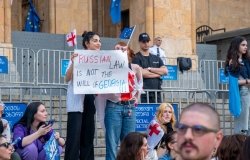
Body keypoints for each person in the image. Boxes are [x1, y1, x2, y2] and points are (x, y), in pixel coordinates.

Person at [95, 41, 143, 160]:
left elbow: (140, 85)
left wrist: (136, 98)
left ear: (129, 51)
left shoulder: (135, 67)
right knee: (112, 143)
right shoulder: (110, 67)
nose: (121, 51)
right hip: (114, 106)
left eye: (124, 49)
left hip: (130, 107)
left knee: (130, 143)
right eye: (118, 49)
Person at [64, 31, 101, 160]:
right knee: (74, 137)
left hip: (90, 99)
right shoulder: (77, 56)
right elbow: (67, 78)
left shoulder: (102, 59)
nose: (99, 43)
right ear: (87, 43)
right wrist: (74, 63)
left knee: (88, 136)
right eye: (95, 41)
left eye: (99, 41)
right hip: (76, 102)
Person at [132, 32, 168, 103]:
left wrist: (150, 69)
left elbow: (165, 71)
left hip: (156, 92)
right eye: (143, 41)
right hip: (143, 93)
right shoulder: (136, 57)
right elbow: (142, 73)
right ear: (139, 42)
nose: (146, 44)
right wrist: (158, 74)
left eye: (147, 41)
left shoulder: (156, 58)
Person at [225, 36, 250, 134]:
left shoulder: (247, 61)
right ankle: (239, 146)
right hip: (243, 92)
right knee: (242, 123)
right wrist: (247, 81)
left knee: (247, 123)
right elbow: (233, 82)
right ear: (236, 46)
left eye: (246, 45)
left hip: (248, 91)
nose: (245, 47)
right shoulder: (232, 62)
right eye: (243, 45)